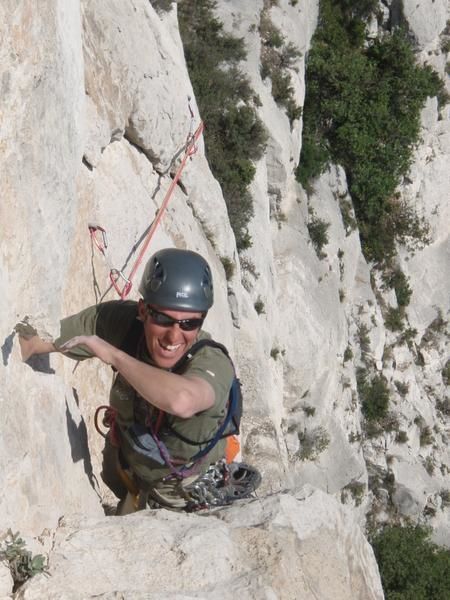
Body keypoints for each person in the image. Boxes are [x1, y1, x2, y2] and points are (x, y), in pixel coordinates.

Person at [19, 248, 258, 512]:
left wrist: (115, 356)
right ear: (143, 310)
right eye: (163, 319)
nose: (174, 337)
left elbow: (182, 400)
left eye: (189, 323)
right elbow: (35, 341)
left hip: (184, 498)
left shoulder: (212, 362)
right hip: (128, 470)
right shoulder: (123, 323)